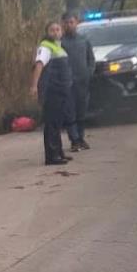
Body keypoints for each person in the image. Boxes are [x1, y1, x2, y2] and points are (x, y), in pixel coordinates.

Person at [29, 21, 74, 165]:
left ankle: (59, 152)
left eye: (58, 29)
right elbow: (39, 65)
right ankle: (52, 156)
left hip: (61, 90)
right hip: (51, 90)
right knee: (52, 124)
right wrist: (34, 86)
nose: (55, 32)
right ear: (47, 32)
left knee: (58, 123)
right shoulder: (46, 47)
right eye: (52, 30)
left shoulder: (58, 47)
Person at [61, 11, 95, 151]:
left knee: (82, 112)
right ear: (63, 24)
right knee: (70, 112)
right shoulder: (60, 42)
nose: (69, 25)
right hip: (67, 83)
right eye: (67, 23)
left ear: (77, 23)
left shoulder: (84, 40)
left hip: (82, 81)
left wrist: (88, 72)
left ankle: (81, 138)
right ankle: (74, 140)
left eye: (72, 22)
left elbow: (91, 59)